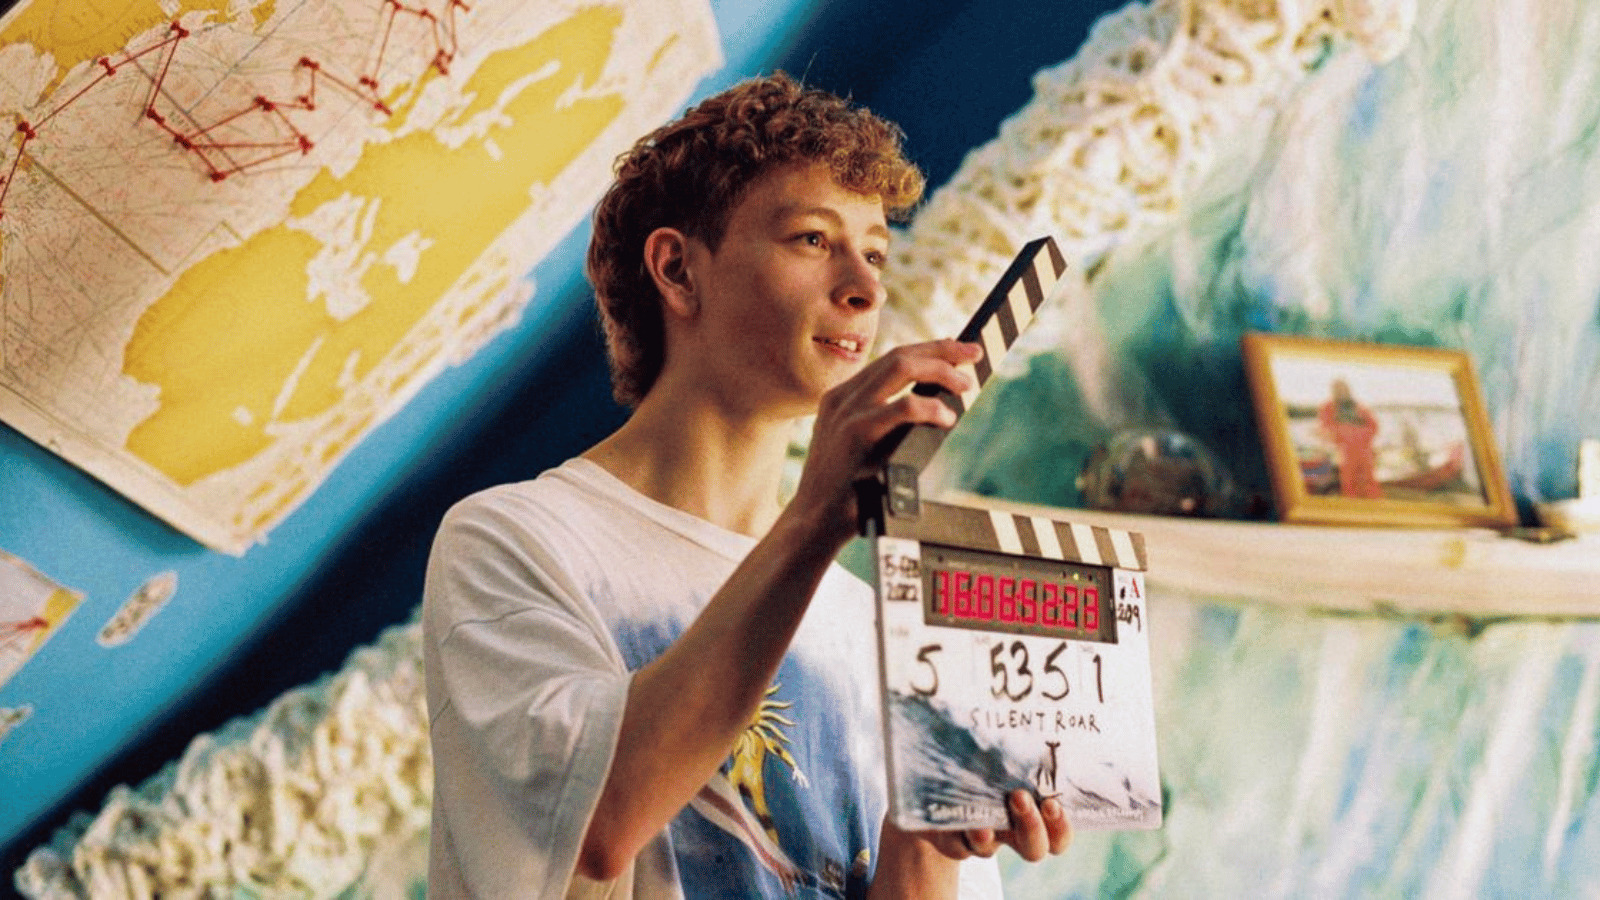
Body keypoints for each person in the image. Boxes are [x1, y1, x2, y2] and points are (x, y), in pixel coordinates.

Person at [422, 73, 1071, 899]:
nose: (865, 288)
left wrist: (927, 842)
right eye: (812, 238)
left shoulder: (877, 631)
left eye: (875, 252)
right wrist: (811, 522)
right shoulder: (515, 540)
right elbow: (600, 823)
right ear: (677, 269)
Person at [1317, 378, 1382, 499]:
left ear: (1348, 390)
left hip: (1364, 449)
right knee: (1348, 480)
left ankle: (1375, 505)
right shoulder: (1328, 408)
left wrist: (1362, 436)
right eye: (1337, 388)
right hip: (1344, 450)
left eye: (1343, 388)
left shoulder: (1359, 407)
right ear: (1333, 391)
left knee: (1369, 479)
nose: (1341, 391)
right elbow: (1325, 428)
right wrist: (1342, 435)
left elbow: (1374, 425)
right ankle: (1352, 507)